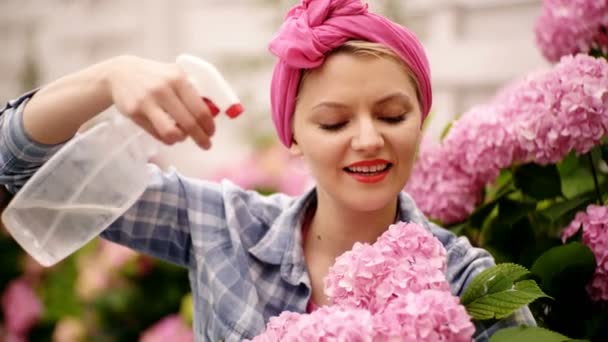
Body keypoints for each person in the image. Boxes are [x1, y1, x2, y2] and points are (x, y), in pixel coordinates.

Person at [0, 0, 536, 340]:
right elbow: (21, 167)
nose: (369, 139)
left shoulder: (467, 281)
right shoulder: (223, 228)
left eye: (393, 114)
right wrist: (106, 78)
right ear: (293, 138)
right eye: (332, 123)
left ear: (421, 119)